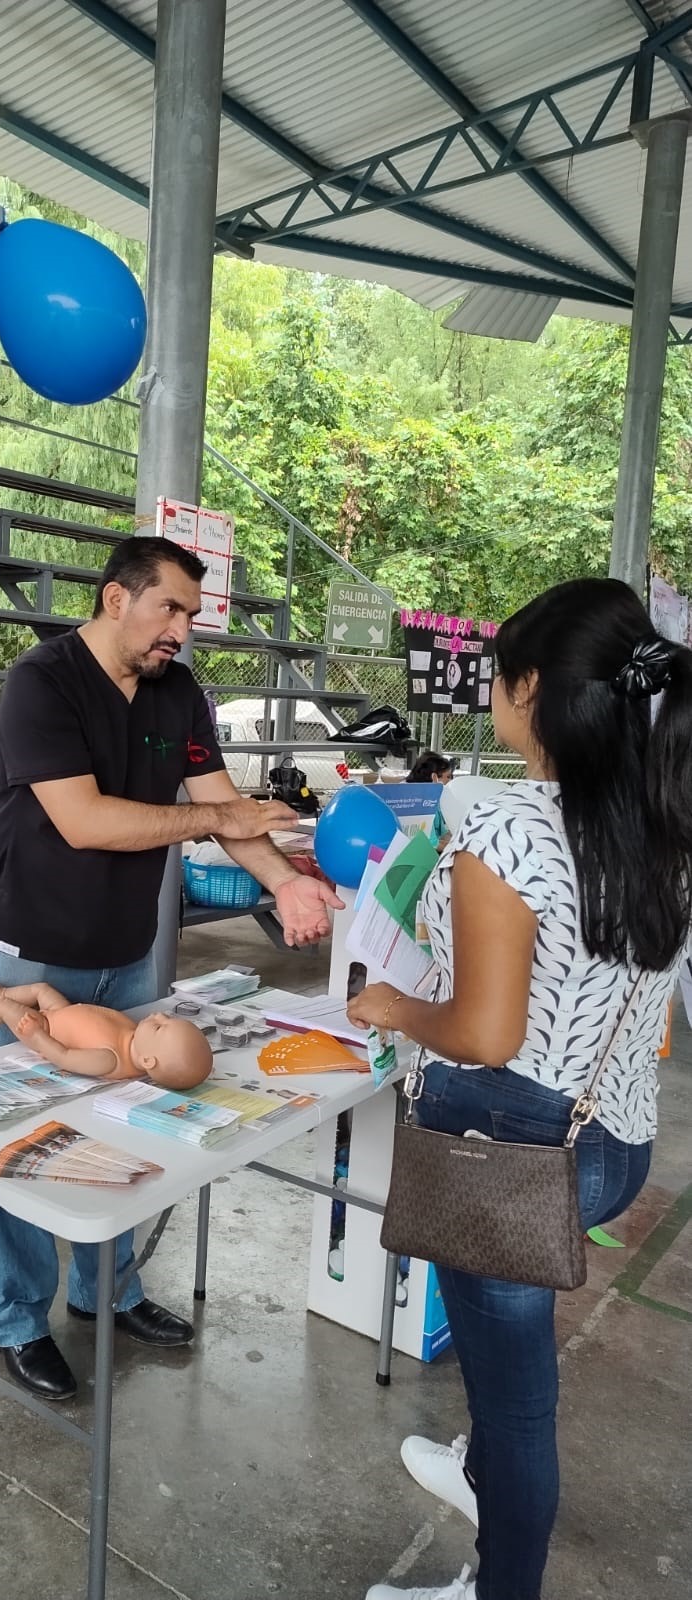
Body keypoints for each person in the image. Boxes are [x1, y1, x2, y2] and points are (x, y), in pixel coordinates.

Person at [348, 578, 692, 1600]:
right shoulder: (665, 819)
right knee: (507, 1381)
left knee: (516, 1407)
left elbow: (485, 1034)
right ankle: (483, 1481)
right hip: (613, 1141)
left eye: (498, 677)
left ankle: (499, 1582)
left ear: (530, 688)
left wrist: (394, 1007)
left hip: (506, 1151)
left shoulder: (505, 826)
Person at [0, 535, 343, 1400]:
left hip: (131, 950)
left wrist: (287, 882)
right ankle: (18, 1318)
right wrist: (214, 818)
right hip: (38, 951)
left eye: (191, 613)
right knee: (24, 1144)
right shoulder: (42, 682)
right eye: (169, 607)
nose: (182, 628)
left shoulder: (177, 691)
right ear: (117, 599)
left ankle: (108, 1291)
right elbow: (87, 822)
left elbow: (223, 806)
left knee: (130, 1126)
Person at [0, 974, 213, 1089]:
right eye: (166, 1017)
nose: (158, 1015)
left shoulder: (110, 1059)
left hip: (47, 1029)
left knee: (6, 1008)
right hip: (62, 1010)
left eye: (159, 1026)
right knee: (41, 989)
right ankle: (1, 993)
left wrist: (36, 1034)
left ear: (148, 1060)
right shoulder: (134, 1037)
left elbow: (64, 1057)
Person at [406, 751, 455, 848]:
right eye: (448, 777)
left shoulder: (433, 799)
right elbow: (433, 844)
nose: (450, 781)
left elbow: (443, 833)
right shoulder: (420, 804)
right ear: (434, 777)